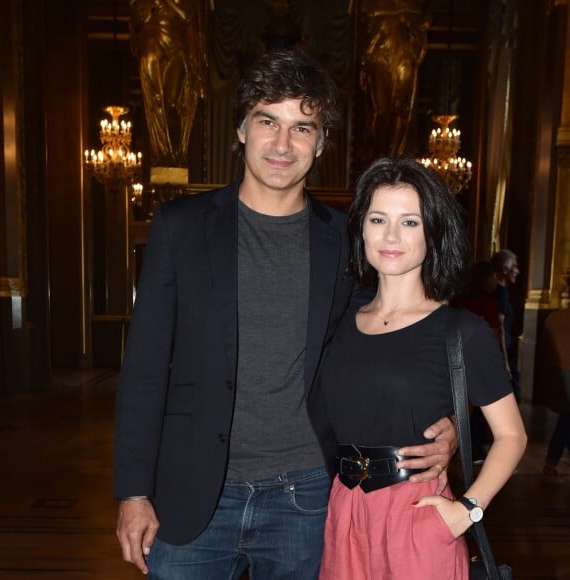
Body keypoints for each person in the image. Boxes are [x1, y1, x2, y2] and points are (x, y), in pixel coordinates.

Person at [113, 51, 457, 579]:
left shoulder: (348, 240)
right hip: (192, 491)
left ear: (321, 144)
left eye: (303, 127)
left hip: (307, 494)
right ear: (242, 129)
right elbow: (144, 367)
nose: (282, 143)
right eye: (268, 121)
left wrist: (446, 424)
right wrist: (134, 490)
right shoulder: (179, 228)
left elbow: (392, 332)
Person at [309, 157, 527, 579]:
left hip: (417, 516)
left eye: (410, 222)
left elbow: (512, 435)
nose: (391, 236)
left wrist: (467, 510)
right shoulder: (336, 318)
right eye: (378, 219)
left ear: (433, 232)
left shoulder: (461, 331)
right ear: (361, 229)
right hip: (343, 513)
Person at [129, 0, 207, 169]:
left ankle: (176, 156)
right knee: (156, 101)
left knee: (173, 104)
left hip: (176, 46)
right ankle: (163, 157)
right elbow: (136, 20)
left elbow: (188, 20)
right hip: (151, 42)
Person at [359, 0, 429, 160]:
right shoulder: (372, 6)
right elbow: (372, 36)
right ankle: (379, 157)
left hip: (404, 56)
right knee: (382, 111)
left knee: (402, 109)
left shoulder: (414, 7)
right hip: (381, 57)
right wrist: (364, 64)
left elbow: (419, 33)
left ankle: (395, 157)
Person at [455, 260, 503, 463]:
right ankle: (494, 456)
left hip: (456, 360)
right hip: (478, 361)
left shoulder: (459, 300)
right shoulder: (487, 301)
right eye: (494, 276)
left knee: (461, 412)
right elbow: (493, 334)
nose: (496, 281)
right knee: (496, 416)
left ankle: (461, 451)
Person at [539, 305, 570, 483]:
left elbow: (545, 350)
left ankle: (550, 465)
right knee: (566, 421)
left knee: (566, 420)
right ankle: (550, 465)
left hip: (556, 374)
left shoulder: (553, 318)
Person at [490, 248, 521, 400]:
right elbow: (499, 328)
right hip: (500, 353)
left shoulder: (501, 292)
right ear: (504, 269)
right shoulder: (500, 293)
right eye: (515, 266)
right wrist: (505, 361)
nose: (518, 271)